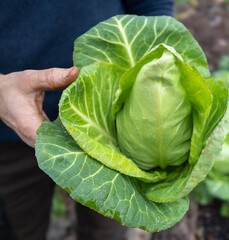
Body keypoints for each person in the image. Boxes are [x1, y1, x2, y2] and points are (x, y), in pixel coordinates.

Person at [0, 1, 173, 240]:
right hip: (8, 132)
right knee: (18, 228)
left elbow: (154, 5)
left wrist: (163, 60)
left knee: (106, 228)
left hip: (119, 124)